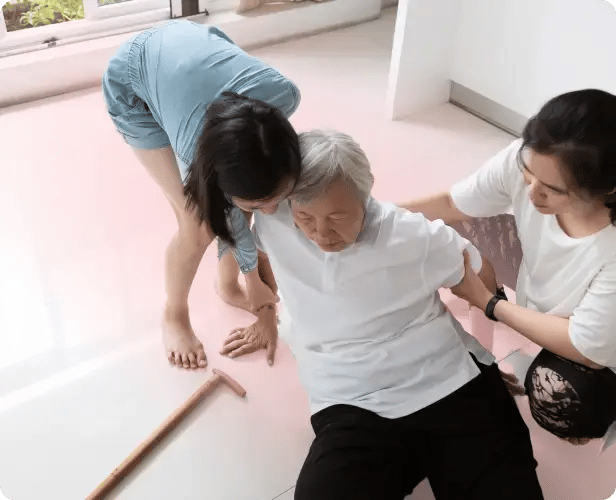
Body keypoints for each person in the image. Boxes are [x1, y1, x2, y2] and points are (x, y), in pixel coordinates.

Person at [221, 130, 544, 499]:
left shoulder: (412, 235)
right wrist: (264, 308)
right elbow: (222, 196)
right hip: (352, 402)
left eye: (337, 217)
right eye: (306, 217)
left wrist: (484, 356)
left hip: (449, 382)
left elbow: (480, 277)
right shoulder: (272, 218)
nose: (321, 233)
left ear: (366, 198)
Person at [400, 89, 616, 449]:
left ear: (607, 189)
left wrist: (489, 303)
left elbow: (585, 347)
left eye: (551, 190)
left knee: (559, 400)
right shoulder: (529, 162)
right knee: (450, 227)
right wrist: (376, 220)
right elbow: (454, 203)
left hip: (601, 347)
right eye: (528, 174)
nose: (530, 195)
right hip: (561, 311)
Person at [102, 20, 301, 370]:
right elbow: (225, 213)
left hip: (191, 46)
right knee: (197, 226)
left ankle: (226, 284)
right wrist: (255, 282)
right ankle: (174, 313)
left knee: (251, 189)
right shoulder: (196, 149)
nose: (272, 212)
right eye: (261, 207)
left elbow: (252, 202)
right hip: (133, 81)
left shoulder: (285, 95)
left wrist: (255, 281)